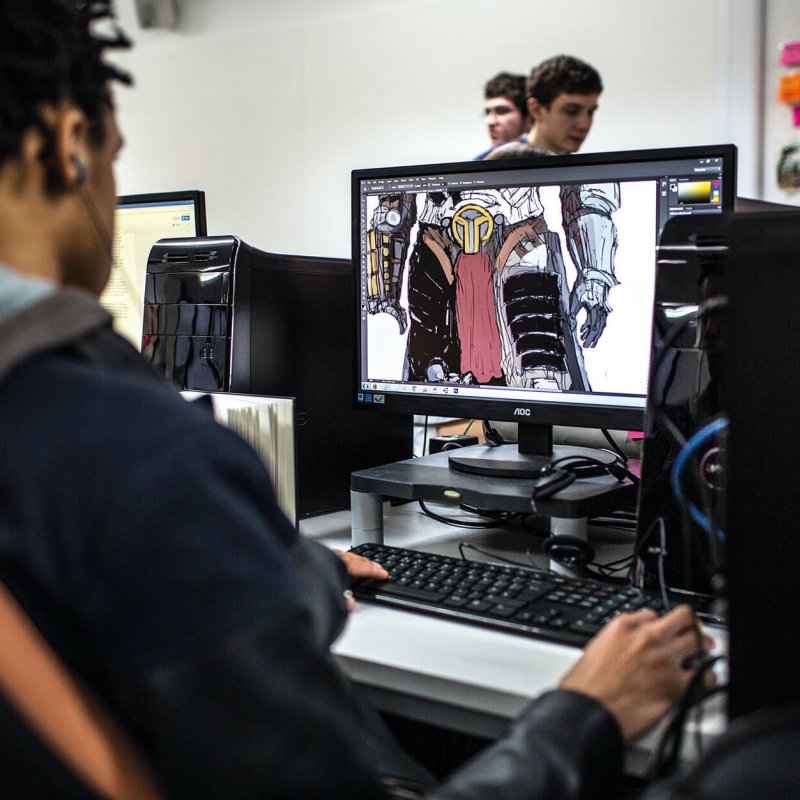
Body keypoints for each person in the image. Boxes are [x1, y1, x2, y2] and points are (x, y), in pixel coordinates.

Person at [0, 3, 714, 798]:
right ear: (70, 148)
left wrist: (273, 572)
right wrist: (588, 709)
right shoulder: (134, 456)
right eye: (114, 155)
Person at [493, 54, 603, 157]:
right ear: (536, 109)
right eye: (571, 111)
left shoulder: (585, 171)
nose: (583, 125)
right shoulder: (488, 165)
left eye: (590, 112)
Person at [475, 71, 530, 160]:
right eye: (487, 112)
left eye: (502, 111)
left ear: (528, 117)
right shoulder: (477, 163)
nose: (490, 121)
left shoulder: (550, 158)